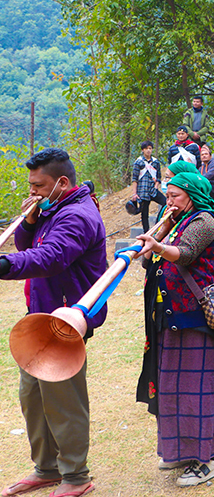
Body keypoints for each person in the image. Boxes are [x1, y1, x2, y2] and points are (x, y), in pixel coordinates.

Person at [0, 149, 105, 497]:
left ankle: (76, 475)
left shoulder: (77, 214)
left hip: (67, 315)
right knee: (32, 394)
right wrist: (29, 221)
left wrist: (5, 265)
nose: (33, 193)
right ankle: (46, 468)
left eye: (38, 186)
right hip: (40, 315)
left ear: (62, 183)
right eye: (30, 186)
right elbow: (27, 244)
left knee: (63, 398)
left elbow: (52, 256)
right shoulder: (52, 207)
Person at [135, 164, 214, 487]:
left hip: (196, 318)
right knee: (171, 386)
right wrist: (157, 235)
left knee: (197, 391)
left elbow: (185, 254)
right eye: (167, 195)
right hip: (169, 317)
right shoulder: (176, 220)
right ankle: (179, 451)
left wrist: (158, 245)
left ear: (193, 195)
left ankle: (207, 459)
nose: (168, 201)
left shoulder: (205, 221)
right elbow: (150, 259)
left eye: (175, 196)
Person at [132, 140, 166, 232]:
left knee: (165, 203)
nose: (148, 150)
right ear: (143, 150)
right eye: (146, 148)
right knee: (144, 213)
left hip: (153, 190)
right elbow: (134, 179)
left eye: (150, 148)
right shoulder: (138, 162)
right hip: (142, 191)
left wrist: (156, 186)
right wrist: (134, 193)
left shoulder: (155, 162)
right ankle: (146, 232)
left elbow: (158, 176)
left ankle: (157, 225)